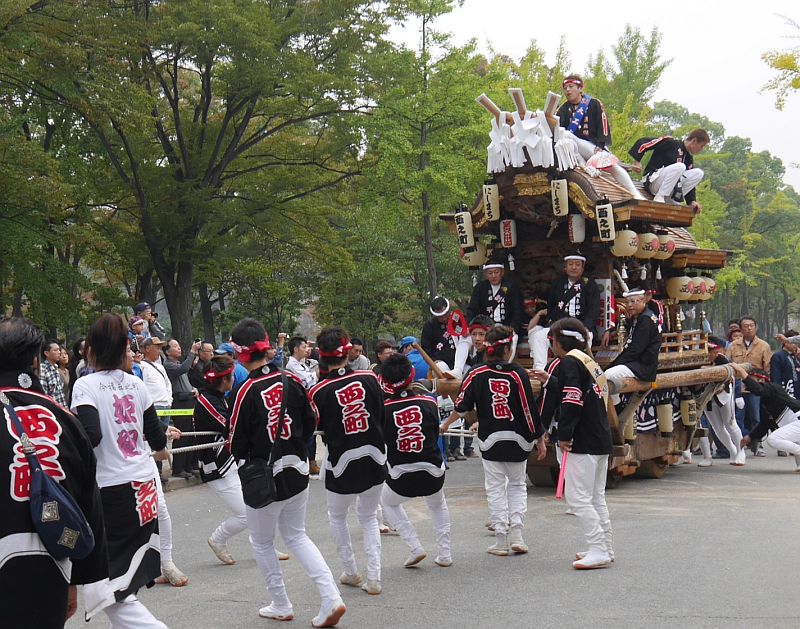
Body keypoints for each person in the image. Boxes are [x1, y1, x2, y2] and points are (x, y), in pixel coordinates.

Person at [228, 318, 345, 626]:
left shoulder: (245, 390)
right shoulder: (290, 379)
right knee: (296, 535)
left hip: (264, 477)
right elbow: (311, 420)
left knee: (262, 542)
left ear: (240, 352)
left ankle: (281, 603)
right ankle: (331, 596)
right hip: (297, 469)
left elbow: (235, 442)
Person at [0, 317, 109, 629]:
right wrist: (78, 577)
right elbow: (87, 502)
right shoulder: (64, 418)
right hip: (49, 563)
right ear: (35, 361)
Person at [70, 314, 170, 627]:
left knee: (107, 586)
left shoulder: (85, 385)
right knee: (126, 577)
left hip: (111, 490)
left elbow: (92, 435)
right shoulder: (137, 384)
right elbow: (156, 439)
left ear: (91, 349)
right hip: (144, 486)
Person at [440, 325, 546, 556]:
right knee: (517, 485)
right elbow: (529, 409)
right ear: (507, 349)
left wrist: (446, 424)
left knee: (495, 488)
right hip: (519, 440)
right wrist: (539, 437)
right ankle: (517, 535)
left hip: (490, 440)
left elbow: (462, 406)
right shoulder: (517, 373)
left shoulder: (476, 373)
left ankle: (500, 539)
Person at [309, 326, 387, 596]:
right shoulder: (370, 377)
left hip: (341, 462)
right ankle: (374, 578)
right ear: (346, 353)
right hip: (375, 456)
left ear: (321, 355)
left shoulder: (317, 391)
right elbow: (381, 415)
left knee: (337, 516)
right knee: (369, 517)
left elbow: (317, 429)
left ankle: (351, 571)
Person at [540, 318, 614, 569]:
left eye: (552, 340)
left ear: (559, 342)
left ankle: (599, 549)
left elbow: (572, 400)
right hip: (600, 437)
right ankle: (605, 547)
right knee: (596, 497)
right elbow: (579, 391)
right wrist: (550, 380)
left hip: (582, 440)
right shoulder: (589, 362)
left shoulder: (569, 362)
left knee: (578, 498)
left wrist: (564, 435)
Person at [379, 353, 452, 568]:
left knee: (387, 502)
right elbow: (433, 433)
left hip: (401, 477)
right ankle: (445, 554)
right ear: (411, 375)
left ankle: (415, 547)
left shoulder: (383, 409)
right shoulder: (429, 402)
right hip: (433, 473)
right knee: (438, 505)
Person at [192, 354, 249, 565]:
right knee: (246, 514)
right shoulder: (207, 401)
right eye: (231, 376)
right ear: (223, 379)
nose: (234, 379)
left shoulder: (220, 396)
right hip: (216, 466)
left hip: (229, 461)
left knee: (254, 506)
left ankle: (263, 544)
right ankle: (218, 539)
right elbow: (229, 427)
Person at [557, 73, 643, 199]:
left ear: (580, 88)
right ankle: (584, 166)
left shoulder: (593, 103)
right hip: (575, 150)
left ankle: (634, 192)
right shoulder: (563, 109)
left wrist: (600, 145)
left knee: (612, 166)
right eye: (565, 88)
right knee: (565, 136)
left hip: (593, 145)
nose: (568, 90)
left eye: (571, 87)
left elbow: (603, 124)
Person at [529, 254, 601, 370]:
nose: (574, 267)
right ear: (565, 267)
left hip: (581, 326)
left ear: (582, 268)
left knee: (586, 337)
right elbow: (552, 307)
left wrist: (584, 328)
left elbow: (593, 311)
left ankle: (581, 369)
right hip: (560, 326)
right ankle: (540, 369)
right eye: (570, 264)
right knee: (539, 336)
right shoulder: (558, 284)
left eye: (577, 265)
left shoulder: (590, 284)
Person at [731, 364, 800, 472]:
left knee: (773, 439)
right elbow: (765, 424)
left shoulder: (771, 387)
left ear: (761, 379)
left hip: (797, 420)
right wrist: (750, 437)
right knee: (794, 442)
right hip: (795, 422)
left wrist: (742, 372)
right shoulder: (766, 400)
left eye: (752, 379)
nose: (748, 384)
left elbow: (758, 389)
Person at [696, 337, 747, 467]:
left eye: (715, 351)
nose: (713, 354)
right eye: (711, 352)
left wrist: (738, 395)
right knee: (717, 427)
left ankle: (741, 451)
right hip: (706, 397)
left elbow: (732, 375)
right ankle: (732, 450)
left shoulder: (722, 360)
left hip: (723, 395)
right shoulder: (696, 361)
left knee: (730, 424)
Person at [629, 128, 710, 210]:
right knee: (680, 166)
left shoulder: (688, 159)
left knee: (699, 173)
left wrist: (692, 201)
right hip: (652, 182)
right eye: (701, 146)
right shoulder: (670, 143)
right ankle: (660, 197)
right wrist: (637, 161)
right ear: (694, 141)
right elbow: (643, 142)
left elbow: (688, 182)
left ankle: (672, 199)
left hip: (671, 189)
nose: (701, 149)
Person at [604, 289, 662, 400]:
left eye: (633, 301)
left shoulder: (645, 319)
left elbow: (635, 350)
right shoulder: (642, 316)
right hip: (640, 361)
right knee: (609, 372)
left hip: (643, 365)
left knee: (609, 375)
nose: (629, 305)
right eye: (627, 302)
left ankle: (615, 406)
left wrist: (615, 364)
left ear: (643, 300)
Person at [727, 316, 772, 455]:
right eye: (745, 326)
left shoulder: (763, 346)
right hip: (737, 387)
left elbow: (768, 368)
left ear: (755, 327)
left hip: (755, 387)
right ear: (741, 329)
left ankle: (758, 445)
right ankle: (739, 444)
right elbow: (727, 363)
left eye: (751, 325)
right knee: (736, 418)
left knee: (756, 417)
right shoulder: (733, 345)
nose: (749, 328)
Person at [164, 338, 201, 479]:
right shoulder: (168, 365)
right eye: (175, 346)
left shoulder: (179, 364)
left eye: (179, 345)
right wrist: (192, 351)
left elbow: (186, 380)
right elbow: (184, 369)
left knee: (190, 435)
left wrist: (194, 388)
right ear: (168, 352)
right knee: (182, 434)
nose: (179, 348)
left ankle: (189, 466)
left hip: (189, 399)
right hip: (180, 402)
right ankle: (178, 468)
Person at [285, 335, 321, 475]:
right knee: (305, 434)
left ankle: (311, 462)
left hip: (308, 402)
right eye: (304, 347)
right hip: (299, 404)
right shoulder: (292, 365)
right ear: (295, 349)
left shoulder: (303, 363)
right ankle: (302, 463)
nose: (307, 349)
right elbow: (307, 380)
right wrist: (317, 372)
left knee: (311, 432)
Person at [467, 262, 524, 330]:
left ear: (502, 272)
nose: (493, 276)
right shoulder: (480, 288)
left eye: (496, 272)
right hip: (486, 329)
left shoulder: (511, 287)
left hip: (507, 329)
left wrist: (512, 328)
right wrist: (472, 326)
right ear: (485, 274)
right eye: (490, 273)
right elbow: (472, 309)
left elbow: (517, 310)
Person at [421, 296, 457, 368]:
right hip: (440, 363)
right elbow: (426, 349)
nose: (444, 318)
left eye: (446, 315)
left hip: (460, 360)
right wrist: (433, 361)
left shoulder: (457, 319)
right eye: (440, 316)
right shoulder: (429, 326)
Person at [40, 339, 67, 407]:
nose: (59, 352)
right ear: (46, 353)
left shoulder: (55, 368)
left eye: (59, 350)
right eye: (55, 350)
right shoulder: (43, 369)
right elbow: (43, 395)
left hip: (61, 409)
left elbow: (60, 393)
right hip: (52, 410)